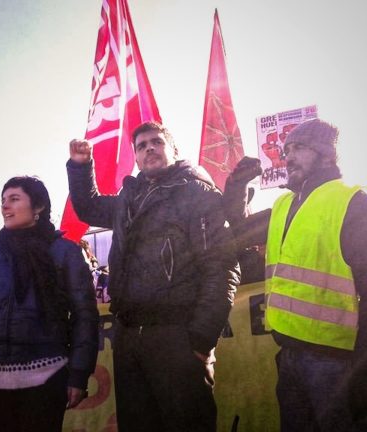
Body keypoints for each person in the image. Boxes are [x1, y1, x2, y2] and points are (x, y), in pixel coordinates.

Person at [224, 119, 367, 431]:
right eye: (286, 149)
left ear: (328, 156)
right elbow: (234, 233)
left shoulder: (353, 202)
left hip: (335, 365)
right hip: (289, 357)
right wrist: (236, 187)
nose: (288, 156)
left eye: (299, 148)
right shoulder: (284, 204)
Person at [66, 121, 240, 431]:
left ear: (173, 149)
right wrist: (81, 167)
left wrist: (200, 340)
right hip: (130, 335)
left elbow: (222, 266)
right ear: (135, 157)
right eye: (141, 145)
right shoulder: (127, 200)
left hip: (177, 334)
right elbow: (89, 207)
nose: (149, 148)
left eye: (156, 142)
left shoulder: (197, 192)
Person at [0, 176, 99, 432]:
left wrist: (78, 373)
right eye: (3, 201)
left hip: (48, 374)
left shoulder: (65, 252)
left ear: (38, 206)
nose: (5, 207)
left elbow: (85, 316)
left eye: (14, 199)